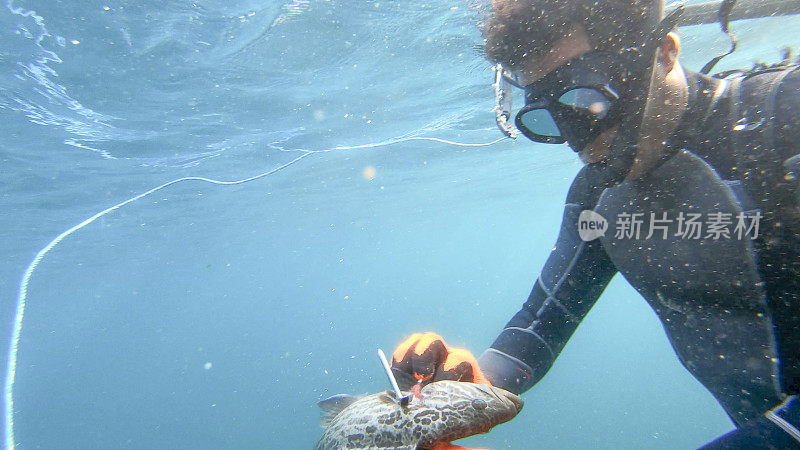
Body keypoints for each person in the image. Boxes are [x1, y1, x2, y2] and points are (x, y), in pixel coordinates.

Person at [390, 0, 800, 447]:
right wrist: (464, 384)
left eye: (587, 98)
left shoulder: (785, 121)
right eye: (546, 118)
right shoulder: (597, 197)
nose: (576, 140)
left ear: (663, 51)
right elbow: (540, 325)